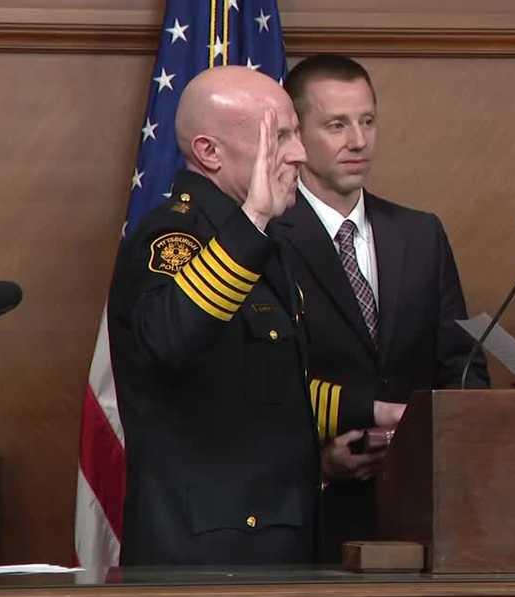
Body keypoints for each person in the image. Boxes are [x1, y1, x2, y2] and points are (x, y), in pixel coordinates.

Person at [107, 67, 399, 567]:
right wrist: (252, 223)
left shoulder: (264, 243)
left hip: (275, 542)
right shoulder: (171, 239)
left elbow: (266, 381)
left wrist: (378, 413)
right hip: (205, 555)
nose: (300, 153)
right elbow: (171, 342)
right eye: (279, 136)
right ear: (209, 152)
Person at [278, 55, 488, 561]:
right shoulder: (266, 239)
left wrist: (423, 445)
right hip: (309, 520)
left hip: (418, 515)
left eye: (367, 121)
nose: (358, 140)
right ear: (296, 133)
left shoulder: (419, 234)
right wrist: (318, 463)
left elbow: (464, 369)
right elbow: (254, 388)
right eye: (336, 125)